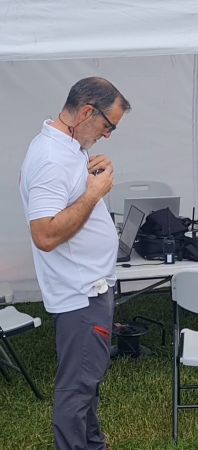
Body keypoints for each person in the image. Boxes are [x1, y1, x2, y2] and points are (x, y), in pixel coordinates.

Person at [19, 77, 131, 450]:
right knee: (77, 387)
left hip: (90, 288)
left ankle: (93, 443)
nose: (108, 134)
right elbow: (45, 235)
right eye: (107, 126)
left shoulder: (68, 147)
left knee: (89, 378)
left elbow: (68, 199)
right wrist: (94, 195)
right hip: (80, 294)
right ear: (86, 112)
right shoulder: (51, 158)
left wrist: (92, 177)